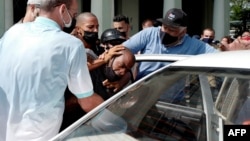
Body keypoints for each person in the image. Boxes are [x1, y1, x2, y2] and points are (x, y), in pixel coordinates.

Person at [0, 0, 104, 140]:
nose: (73, 19)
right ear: (62, 10)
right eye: (73, 14)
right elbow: (87, 101)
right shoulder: (71, 45)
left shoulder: (11, 33)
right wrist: (117, 118)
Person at [60, 28, 135, 131]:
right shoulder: (91, 66)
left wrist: (121, 85)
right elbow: (76, 70)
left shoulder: (119, 80)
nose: (122, 72)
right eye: (121, 66)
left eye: (126, 69)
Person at [120, 8, 218, 81]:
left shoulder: (193, 45)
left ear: (183, 32)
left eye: (171, 30)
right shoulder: (149, 34)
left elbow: (219, 57)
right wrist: (123, 79)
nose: (166, 32)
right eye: (164, 27)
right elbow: (121, 52)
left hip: (172, 102)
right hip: (142, 96)